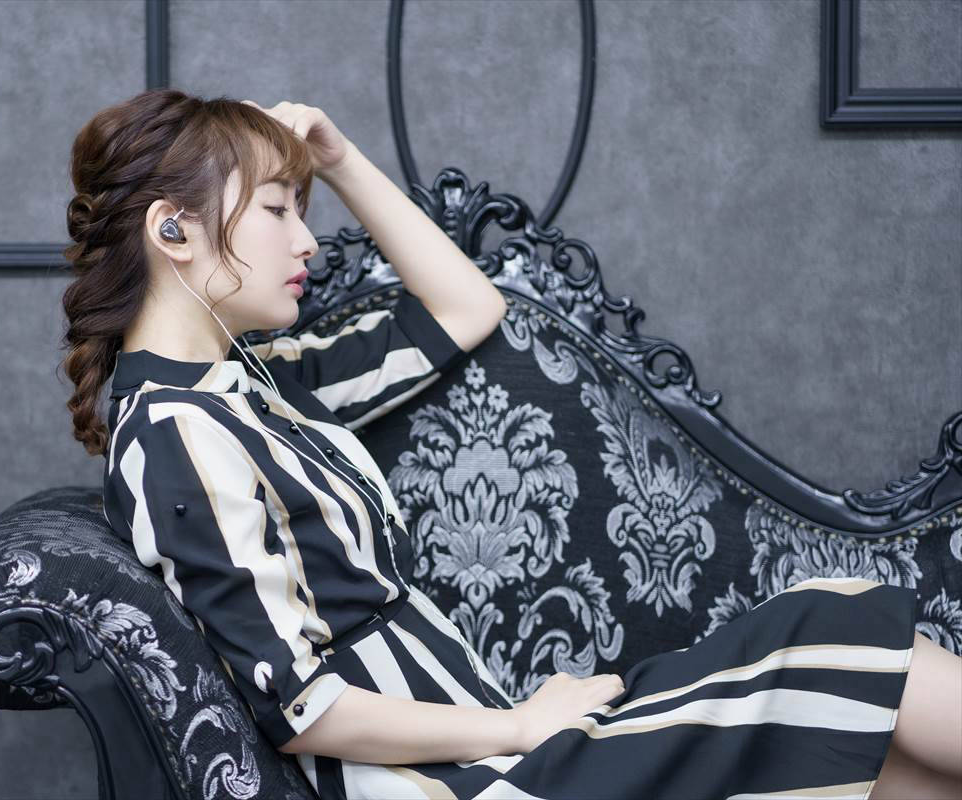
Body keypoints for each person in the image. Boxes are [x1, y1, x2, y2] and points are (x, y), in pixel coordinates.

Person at [60, 88, 962, 800]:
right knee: (826, 631)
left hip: (488, 739)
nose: (307, 241)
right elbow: (303, 708)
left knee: (865, 731)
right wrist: (521, 727)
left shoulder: (254, 379)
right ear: (173, 229)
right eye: (276, 210)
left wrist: (337, 160)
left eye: (303, 209)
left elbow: (467, 307)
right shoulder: (174, 434)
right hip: (460, 780)